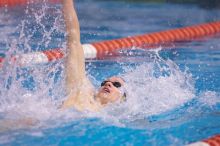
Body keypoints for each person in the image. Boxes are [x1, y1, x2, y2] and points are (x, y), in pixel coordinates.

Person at [61, 0, 126, 112]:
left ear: (123, 98)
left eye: (116, 84)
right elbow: (73, 41)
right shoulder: (81, 93)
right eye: (104, 83)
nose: (108, 84)